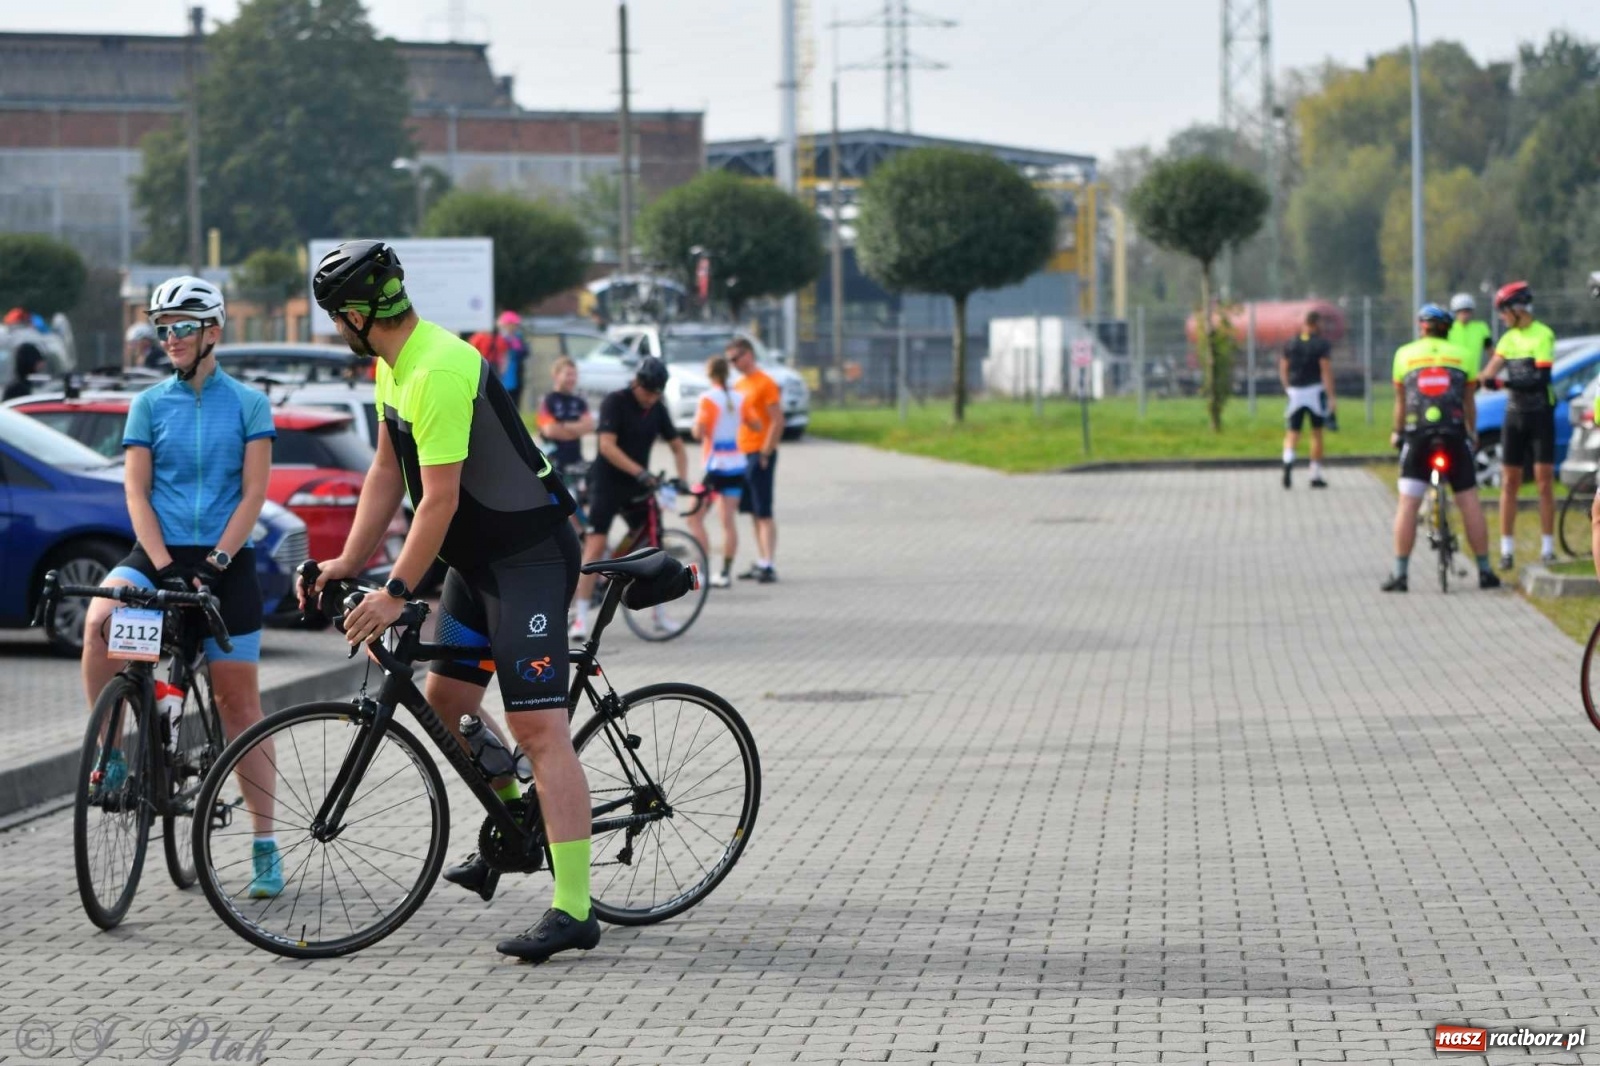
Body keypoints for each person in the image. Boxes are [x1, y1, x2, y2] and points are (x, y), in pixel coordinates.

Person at [304, 240, 598, 963]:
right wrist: (349, 560)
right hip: (477, 562)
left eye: (335, 318)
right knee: (447, 702)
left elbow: (436, 502)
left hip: (529, 561)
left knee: (539, 729)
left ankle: (575, 907)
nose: (335, 330)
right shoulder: (394, 364)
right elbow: (386, 470)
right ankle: (518, 825)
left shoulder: (436, 370)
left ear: (356, 314)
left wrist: (395, 592)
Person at [79, 276, 285, 895]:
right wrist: (165, 564)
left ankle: (265, 843)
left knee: (237, 703)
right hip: (157, 555)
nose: (169, 338)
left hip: (227, 561)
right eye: (162, 328)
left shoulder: (249, 404)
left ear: (213, 332)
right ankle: (113, 755)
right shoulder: (148, 404)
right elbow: (136, 492)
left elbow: (254, 493)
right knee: (99, 622)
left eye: (183, 328)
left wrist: (217, 563)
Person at [1382, 304, 1500, 593]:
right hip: (1454, 434)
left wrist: (1397, 432)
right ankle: (1485, 571)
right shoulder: (1463, 355)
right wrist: (1472, 433)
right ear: (1448, 329)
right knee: (1469, 501)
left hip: (1417, 435)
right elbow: (1469, 402)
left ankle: (1400, 574)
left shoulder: (1404, 354)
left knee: (1408, 503)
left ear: (1421, 328)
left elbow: (1400, 401)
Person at [570, 356, 689, 639]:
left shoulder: (657, 408)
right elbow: (606, 446)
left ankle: (659, 614)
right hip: (607, 482)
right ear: (637, 384)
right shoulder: (616, 401)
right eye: (647, 393)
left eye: (656, 394)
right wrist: (640, 472)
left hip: (638, 485)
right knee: (596, 544)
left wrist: (682, 479)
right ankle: (581, 617)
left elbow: (677, 445)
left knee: (654, 546)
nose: (651, 399)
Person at [1480, 281, 1558, 569]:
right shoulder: (1508, 339)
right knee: (1509, 482)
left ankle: (1548, 547)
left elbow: (1540, 380)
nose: (1501, 318)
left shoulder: (1543, 334)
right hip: (1514, 415)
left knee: (1543, 482)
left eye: (1503, 312)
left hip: (1540, 415)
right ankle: (1507, 550)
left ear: (1516, 309)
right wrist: (1481, 378)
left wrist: (1502, 383)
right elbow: (1490, 371)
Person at [685, 356, 746, 588]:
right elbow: (754, 424)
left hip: (715, 467)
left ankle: (701, 572)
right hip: (736, 465)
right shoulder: (740, 397)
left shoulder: (708, 398)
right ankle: (725, 573)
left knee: (694, 517)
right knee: (727, 521)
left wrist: (696, 427)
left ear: (709, 374)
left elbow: (699, 432)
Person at [727, 338, 783, 581]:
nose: (733, 364)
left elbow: (777, 420)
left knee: (764, 511)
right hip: (742, 452)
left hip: (760, 452)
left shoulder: (765, 383)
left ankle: (769, 563)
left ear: (748, 355)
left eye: (735, 358)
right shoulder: (739, 384)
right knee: (752, 510)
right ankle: (761, 560)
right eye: (730, 360)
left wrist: (766, 452)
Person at [1279, 310, 1335, 489]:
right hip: (1314, 391)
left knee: (1292, 432)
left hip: (1294, 391)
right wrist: (1331, 396)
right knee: (1316, 433)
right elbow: (1325, 370)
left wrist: (1287, 387)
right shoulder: (1321, 344)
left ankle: (1288, 461)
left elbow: (1284, 367)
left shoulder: (1291, 343)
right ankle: (1315, 474)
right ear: (1316, 323)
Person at [536, 356, 594, 474]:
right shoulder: (547, 400)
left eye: (574, 375)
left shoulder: (579, 401)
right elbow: (549, 431)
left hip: (576, 461)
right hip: (552, 462)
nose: (572, 378)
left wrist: (562, 425)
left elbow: (589, 427)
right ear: (556, 375)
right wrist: (577, 429)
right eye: (568, 374)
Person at [1448, 293, 1492, 373]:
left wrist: (1487, 372)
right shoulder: (1449, 328)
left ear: (1472, 312)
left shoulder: (1481, 328)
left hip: (1474, 374)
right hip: (1453, 373)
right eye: (1461, 311)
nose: (1464, 314)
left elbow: (1491, 351)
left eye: (1467, 311)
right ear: (1455, 312)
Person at [496, 311, 530, 410]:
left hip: (515, 374)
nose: (514, 327)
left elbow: (525, 352)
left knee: (515, 400)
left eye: (515, 325)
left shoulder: (518, 338)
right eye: (511, 325)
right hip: (502, 373)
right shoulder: (498, 338)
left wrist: (515, 344)